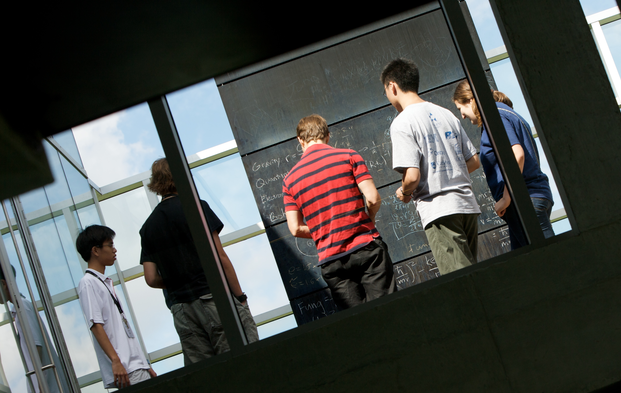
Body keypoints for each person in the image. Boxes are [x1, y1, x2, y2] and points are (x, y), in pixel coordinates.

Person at [139, 158, 258, 365]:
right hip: (214, 298)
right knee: (243, 360)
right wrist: (240, 297)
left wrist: (177, 280)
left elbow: (150, 278)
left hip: (182, 311)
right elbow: (219, 256)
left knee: (209, 376)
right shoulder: (196, 207)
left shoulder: (148, 227)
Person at [283, 115, 396, 309]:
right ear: (328, 135)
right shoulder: (349, 156)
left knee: (358, 326)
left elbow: (295, 228)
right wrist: (370, 218)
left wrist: (323, 230)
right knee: (388, 311)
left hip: (331, 260)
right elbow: (372, 198)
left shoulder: (289, 180)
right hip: (366, 248)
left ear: (300, 141)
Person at [381, 58, 482, 275]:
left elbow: (412, 177)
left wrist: (404, 192)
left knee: (461, 283)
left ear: (392, 86)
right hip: (467, 206)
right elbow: (473, 160)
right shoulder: (447, 114)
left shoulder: (402, 123)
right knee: (473, 274)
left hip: (439, 210)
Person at [452, 80, 554, 250]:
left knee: (551, 260)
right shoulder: (509, 113)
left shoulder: (495, 115)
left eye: (460, 109)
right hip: (532, 197)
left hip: (524, 201)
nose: (462, 116)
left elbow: (517, 155)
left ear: (470, 100)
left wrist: (507, 197)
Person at [75, 225, 157, 389]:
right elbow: (96, 325)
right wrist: (116, 360)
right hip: (126, 368)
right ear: (95, 251)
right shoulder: (88, 283)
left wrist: (145, 363)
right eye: (110, 245)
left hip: (135, 365)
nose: (115, 250)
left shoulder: (103, 282)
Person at [1, 265, 72, 393]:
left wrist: (41, 392)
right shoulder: (22, 306)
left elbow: (35, 348)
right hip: (50, 392)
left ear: (4, 284)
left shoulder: (22, 307)